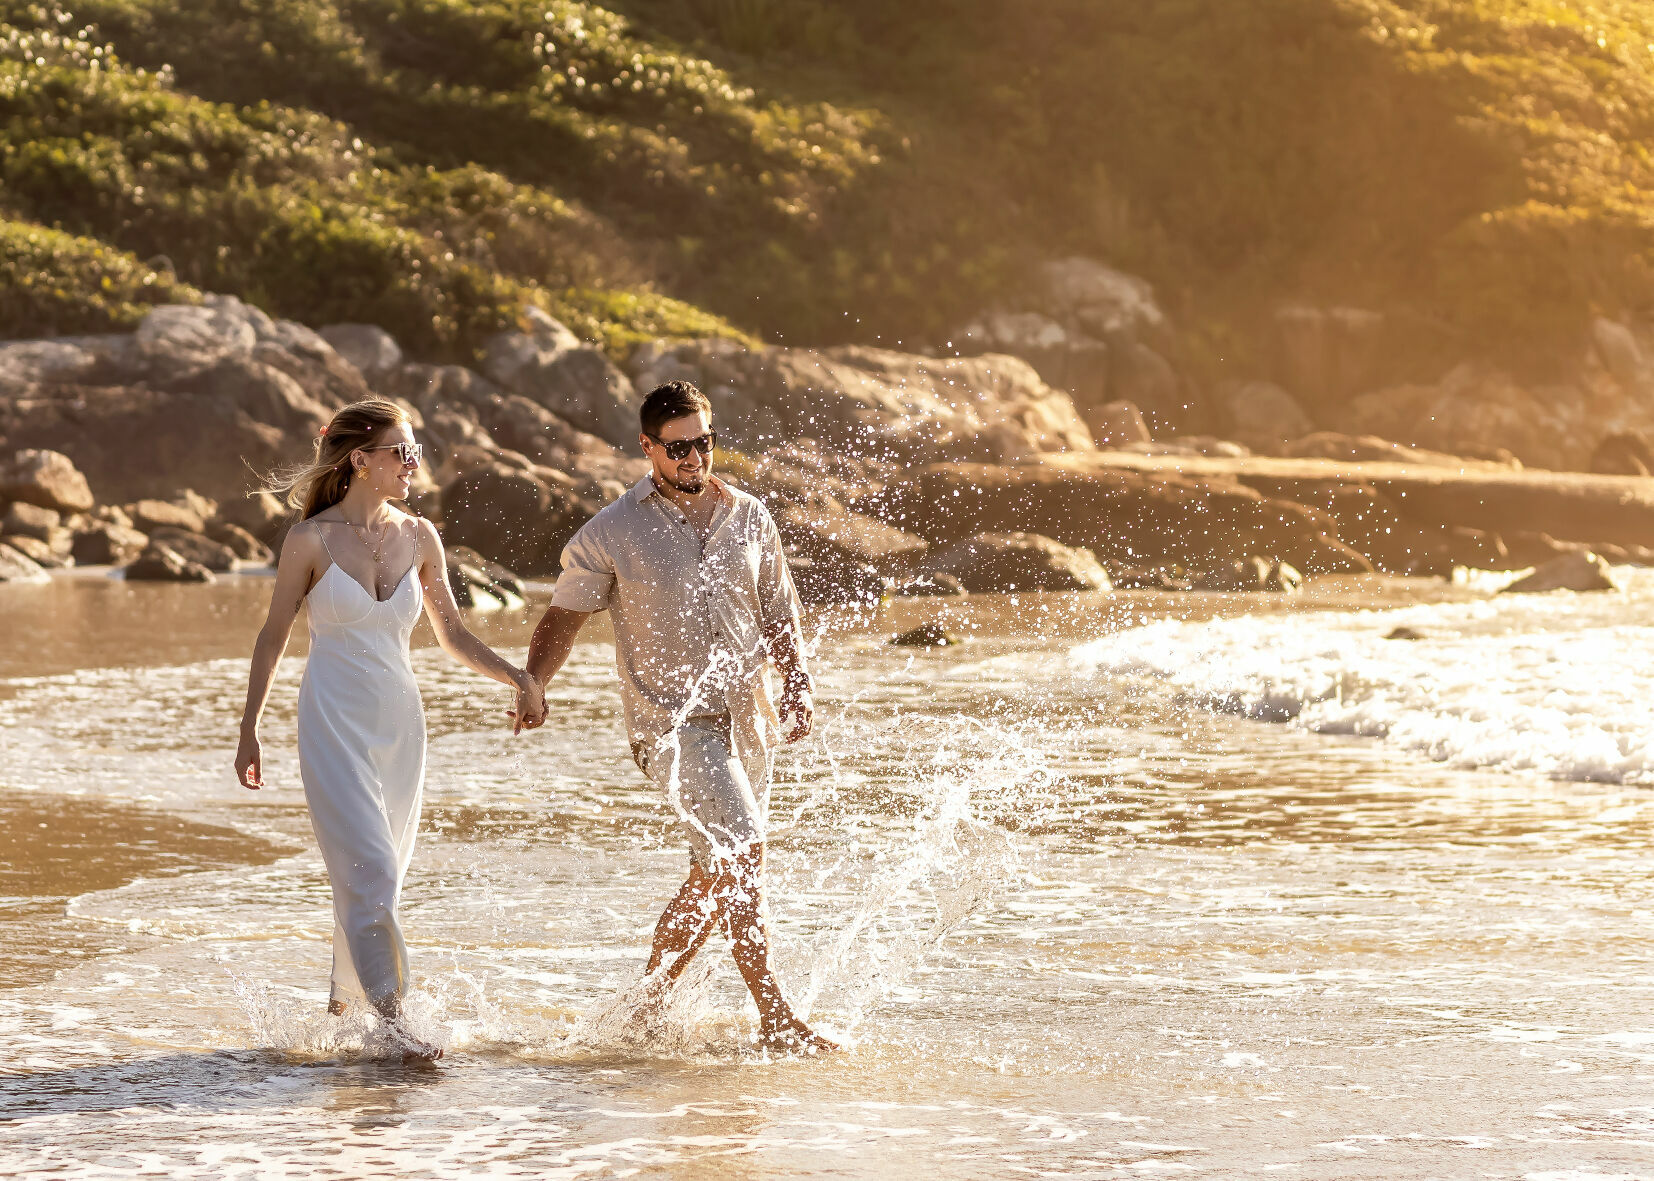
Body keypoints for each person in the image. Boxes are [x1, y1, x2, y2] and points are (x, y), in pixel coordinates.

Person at [515, 380, 835, 1052]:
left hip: (748, 723)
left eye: (704, 442)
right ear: (648, 448)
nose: (695, 457)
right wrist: (533, 683)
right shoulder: (613, 531)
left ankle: (644, 1012)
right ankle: (775, 1017)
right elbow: (563, 617)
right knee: (743, 850)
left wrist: (797, 680)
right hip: (672, 728)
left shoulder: (748, 516)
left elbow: (780, 609)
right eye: (679, 446)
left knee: (716, 875)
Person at [234, 398, 544, 1062]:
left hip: (401, 726)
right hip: (332, 721)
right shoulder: (309, 540)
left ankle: (338, 1024)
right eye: (402, 452)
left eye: (416, 451)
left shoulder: (421, 535)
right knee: (370, 871)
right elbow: (271, 637)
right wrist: (249, 729)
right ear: (360, 461)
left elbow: (454, 634)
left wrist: (517, 677)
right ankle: (401, 1029)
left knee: (375, 880)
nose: (413, 463)